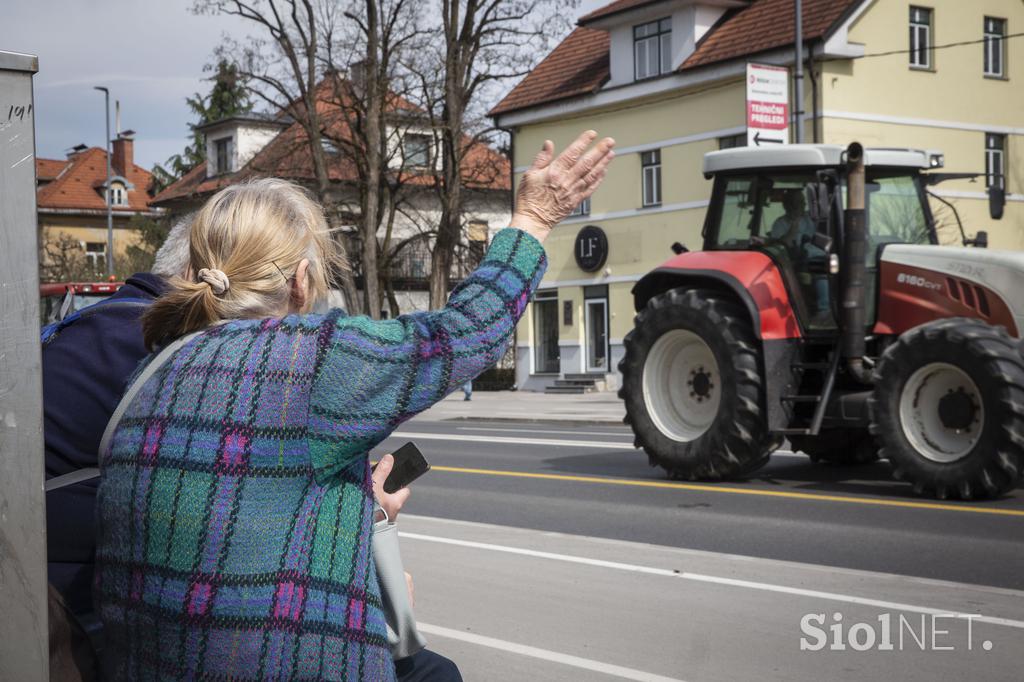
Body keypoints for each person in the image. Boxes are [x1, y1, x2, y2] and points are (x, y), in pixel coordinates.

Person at [93, 130, 615, 680]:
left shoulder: (150, 372)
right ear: (301, 281)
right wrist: (532, 220)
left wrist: (348, 508)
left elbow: (232, 505)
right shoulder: (304, 358)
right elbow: (467, 332)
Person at [43, 220, 460, 680]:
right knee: (431, 672)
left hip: (69, 598)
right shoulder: (181, 353)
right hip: (86, 625)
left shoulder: (97, 328)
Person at [769, 189, 830, 317]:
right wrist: (794, 227)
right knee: (821, 270)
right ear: (788, 205)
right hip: (794, 259)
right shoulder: (780, 223)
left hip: (816, 255)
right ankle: (824, 311)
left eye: (802, 202)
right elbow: (780, 245)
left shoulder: (810, 219)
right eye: (798, 202)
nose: (802, 205)